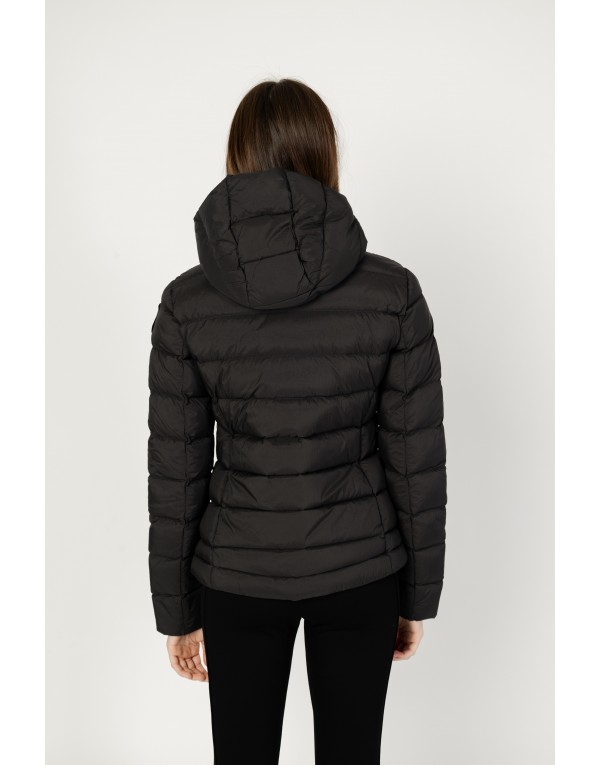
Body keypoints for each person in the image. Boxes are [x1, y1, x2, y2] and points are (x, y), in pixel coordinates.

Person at [147, 78, 447, 765]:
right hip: (360, 569)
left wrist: (179, 609)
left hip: (237, 572)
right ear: (324, 156)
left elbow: (177, 469)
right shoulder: (393, 293)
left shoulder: (186, 303)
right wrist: (415, 595)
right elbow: (415, 458)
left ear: (237, 158)